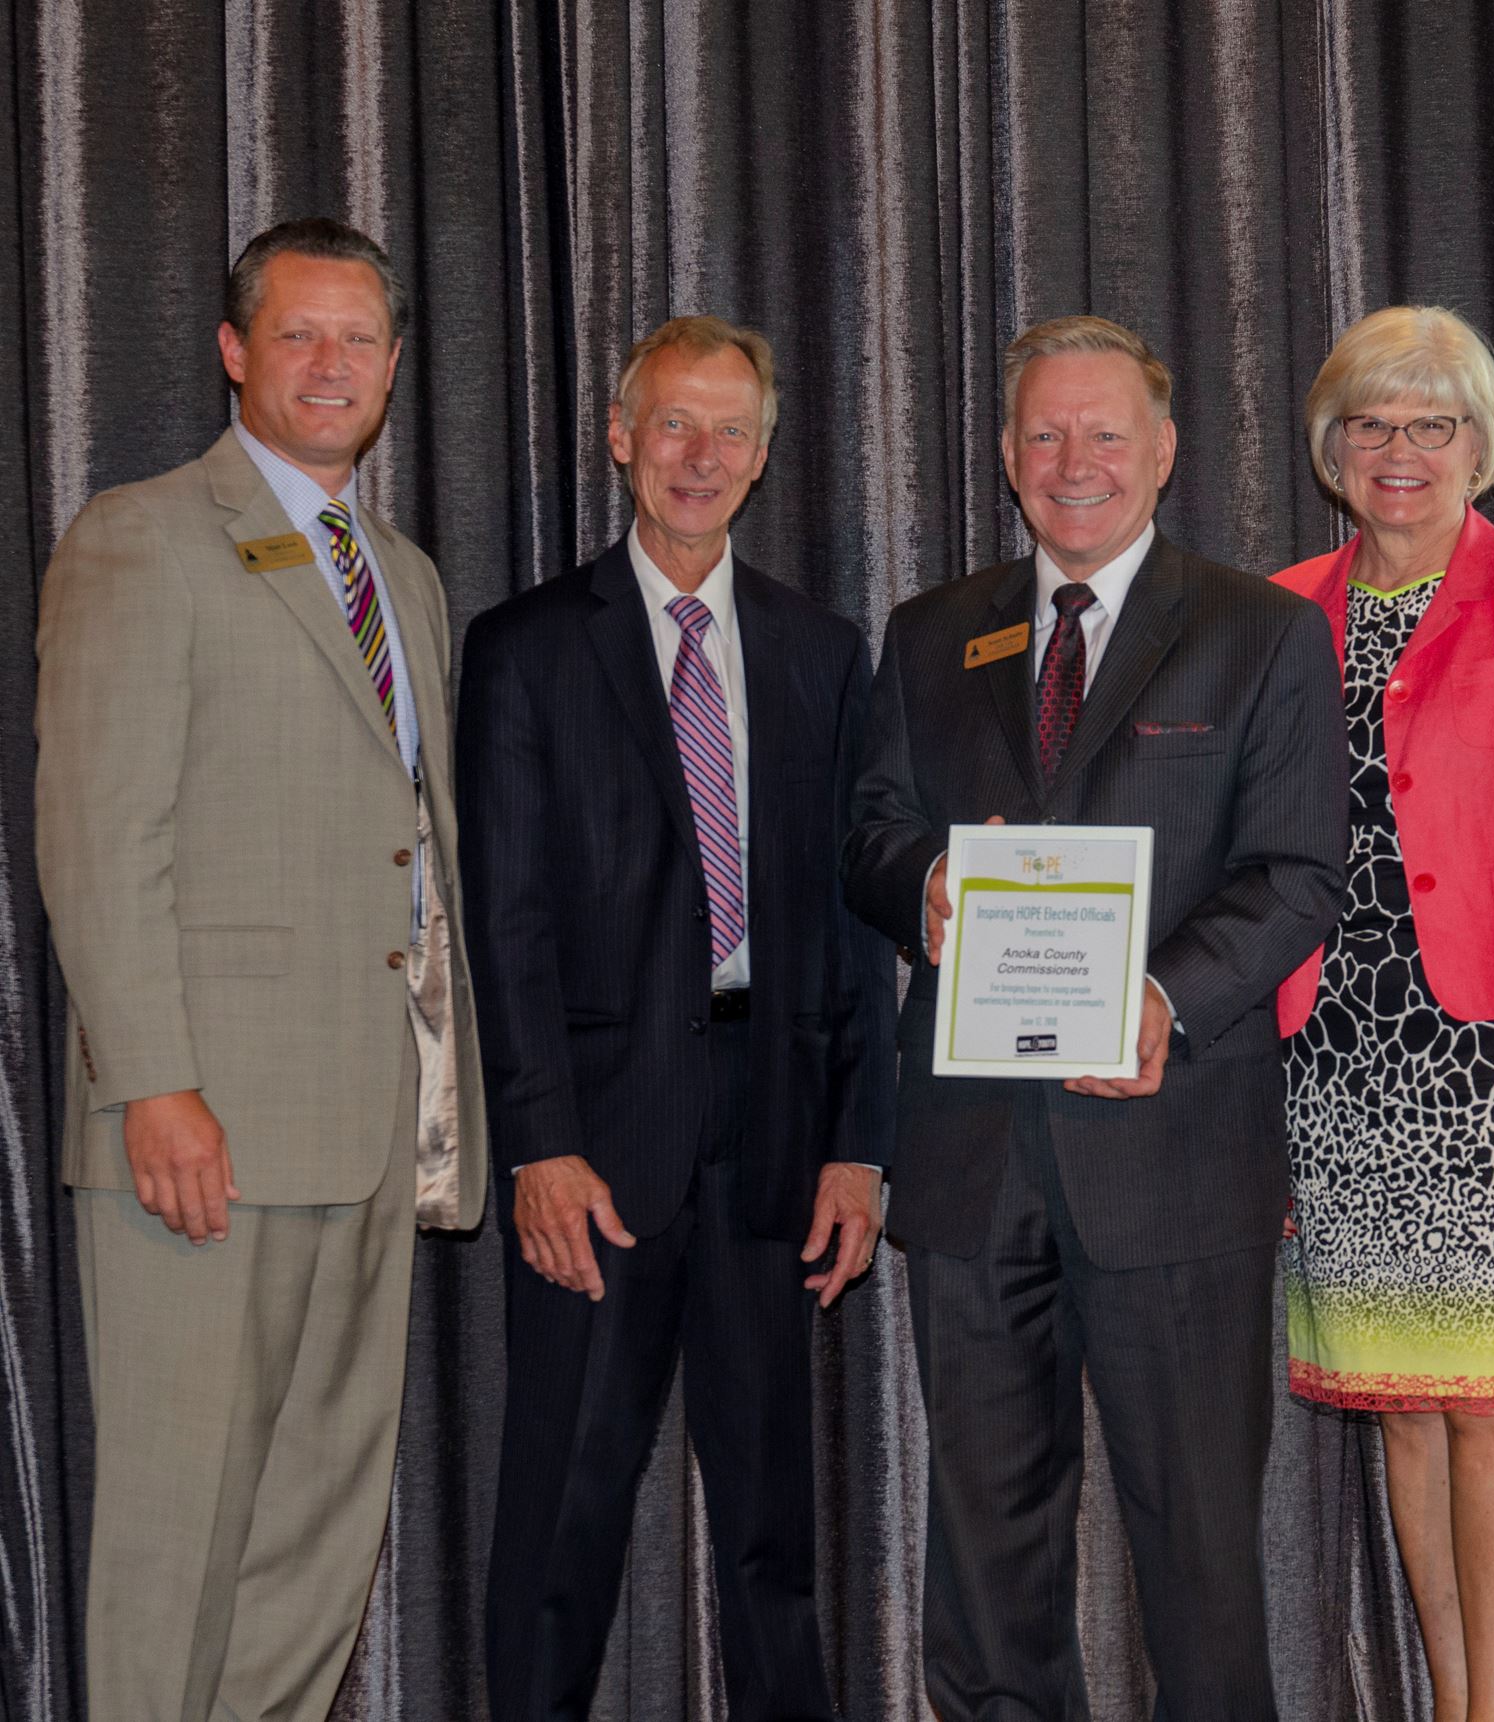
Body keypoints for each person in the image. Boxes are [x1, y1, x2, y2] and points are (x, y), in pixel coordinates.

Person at [842, 314, 1346, 1717]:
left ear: (1165, 450)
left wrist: (1164, 997)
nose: (1077, 462)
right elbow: (870, 831)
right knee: (986, 1557)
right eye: (1047, 434)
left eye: (1106, 432)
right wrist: (927, 879)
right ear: (1006, 457)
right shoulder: (930, 632)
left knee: (1198, 1556)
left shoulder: (1262, 633)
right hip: (970, 1154)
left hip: (1174, 1152)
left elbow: (1300, 872)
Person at [33, 216, 484, 1721]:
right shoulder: (139, 534)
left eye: (360, 340)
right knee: (180, 1536)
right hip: (202, 1135)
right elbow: (98, 840)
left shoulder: (403, 575)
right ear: (235, 352)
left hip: (365, 1130)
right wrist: (154, 1086)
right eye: (300, 334)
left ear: (397, 366)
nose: (333, 364)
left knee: (313, 1535)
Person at [459, 315, 895, 1722]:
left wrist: (857, 1144)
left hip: (774, 1131)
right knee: (562, 1527)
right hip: (597, 1145)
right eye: (673, 424)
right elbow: (505, 918)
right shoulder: (525, 648)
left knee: (775, 1532)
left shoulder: (824, 654)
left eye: (728, 431)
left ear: (764, 455)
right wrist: (537, 1140)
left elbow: (849, 925)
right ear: (619, 436)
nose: (698, 455)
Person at [1269, 305, 1494, 1721]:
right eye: (1369, 424)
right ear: (1329, 450)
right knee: (1404, 1406)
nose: (1398, 452)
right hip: (1336, 1058)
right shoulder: (1279, 607)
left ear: (1483, 443)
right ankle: (1451, 1699)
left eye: (1432, 424)